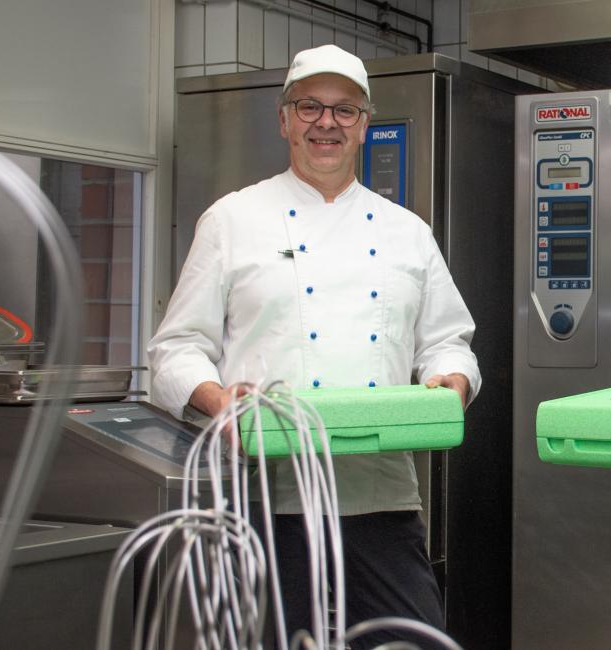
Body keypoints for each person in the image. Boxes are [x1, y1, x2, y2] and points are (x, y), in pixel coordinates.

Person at [147, 44, 478, 645]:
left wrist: (450, 381)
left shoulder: (407, 232)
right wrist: (218, 401)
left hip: (382, 499)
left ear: (364, 124)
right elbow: (175, 349)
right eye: (309, 107)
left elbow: (449, 342)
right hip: (267, 504)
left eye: (345, 110)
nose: (327, 123)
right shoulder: (231, 220)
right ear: (284, 120)